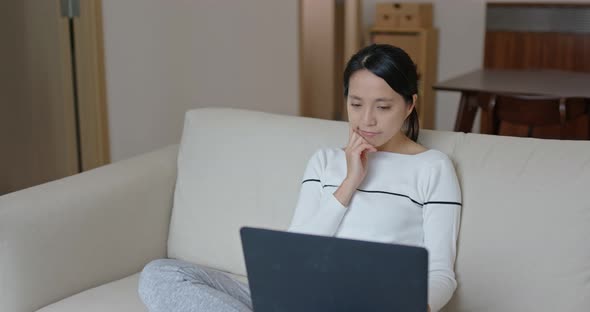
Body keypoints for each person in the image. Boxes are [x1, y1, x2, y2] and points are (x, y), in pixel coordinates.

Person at [138, 43, 462, 312]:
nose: (367, 120)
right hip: (296, 300)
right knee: (161, 273)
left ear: (409, 106)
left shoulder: (432, 167)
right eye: (356, 104)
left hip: (366, 304)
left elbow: (440, 274)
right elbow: (296, 251)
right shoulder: (325, 161)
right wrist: (349, 183)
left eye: (383, 107)